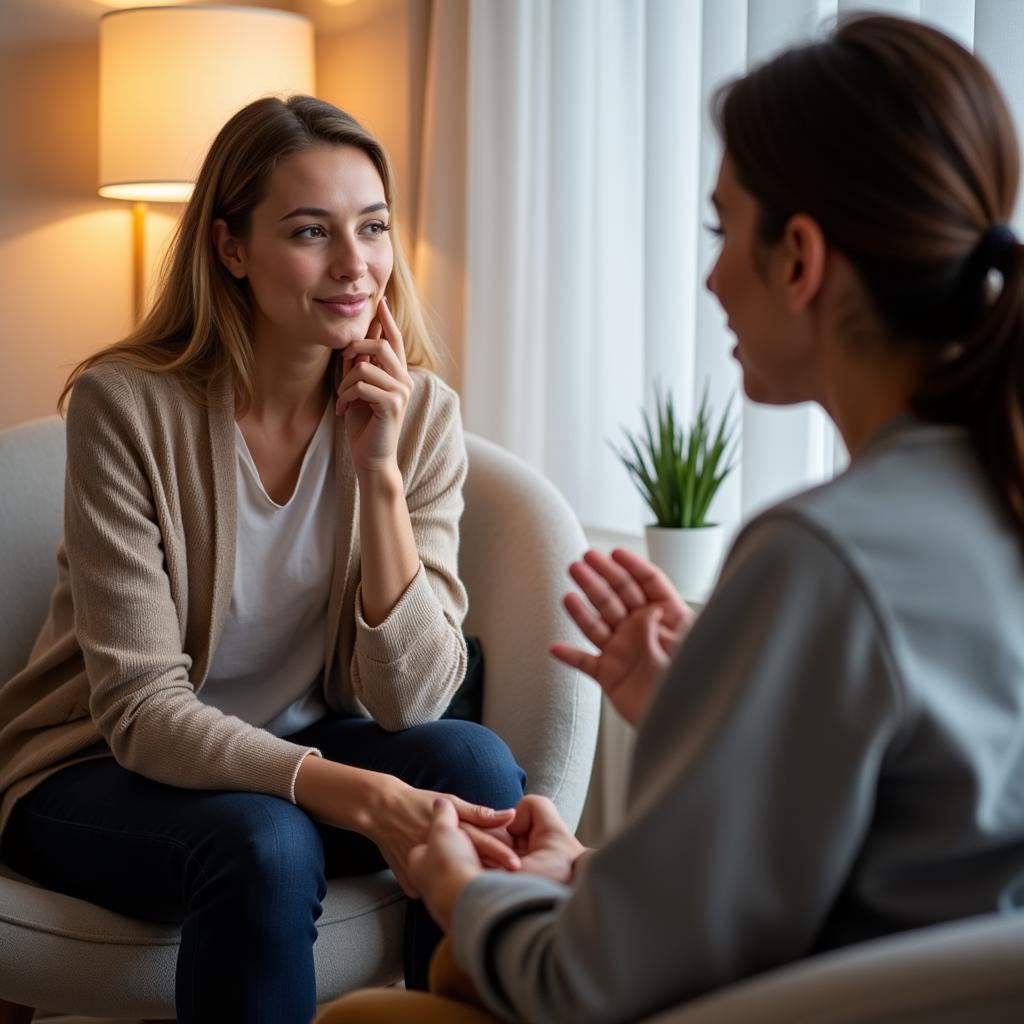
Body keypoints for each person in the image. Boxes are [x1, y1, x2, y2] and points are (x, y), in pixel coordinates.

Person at [317, 13, 1024, 1024]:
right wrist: (684, 745)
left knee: (375, 1010)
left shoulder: (816, 561)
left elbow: (586, 985)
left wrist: (455, 886)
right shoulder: (989, 498)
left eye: (721, 229)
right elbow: (901, 855)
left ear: (799, 260)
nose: (710, 278)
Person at [0, 95, 527, 1022]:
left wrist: (379, 478)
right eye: (310, 232)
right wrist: (359, 797)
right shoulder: (124, 408)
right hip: (99, 772)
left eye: (373, 227)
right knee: (269, 841)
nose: (354, 264)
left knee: (474, 765)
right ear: (231, 248)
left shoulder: (423, 416)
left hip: (302, 745)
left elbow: (411, 700)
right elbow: (141, 713)